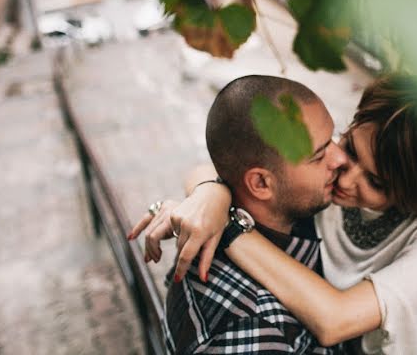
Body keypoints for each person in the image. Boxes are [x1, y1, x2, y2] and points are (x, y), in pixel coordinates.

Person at [135, 74, 417, 355]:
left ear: (410, 194)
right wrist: (209, 193)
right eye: (348, 147)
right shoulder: (321, 188)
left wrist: (227, 225)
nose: (343, 175)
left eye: (376, 182)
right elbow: (227, 167)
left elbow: (335, 319)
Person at [134, 75, 348, 354]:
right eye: (318, 156)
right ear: (260, 184)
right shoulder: (248, 331)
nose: (341, 159)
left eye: (332, 138)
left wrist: (209, 190)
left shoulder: (290, 210)